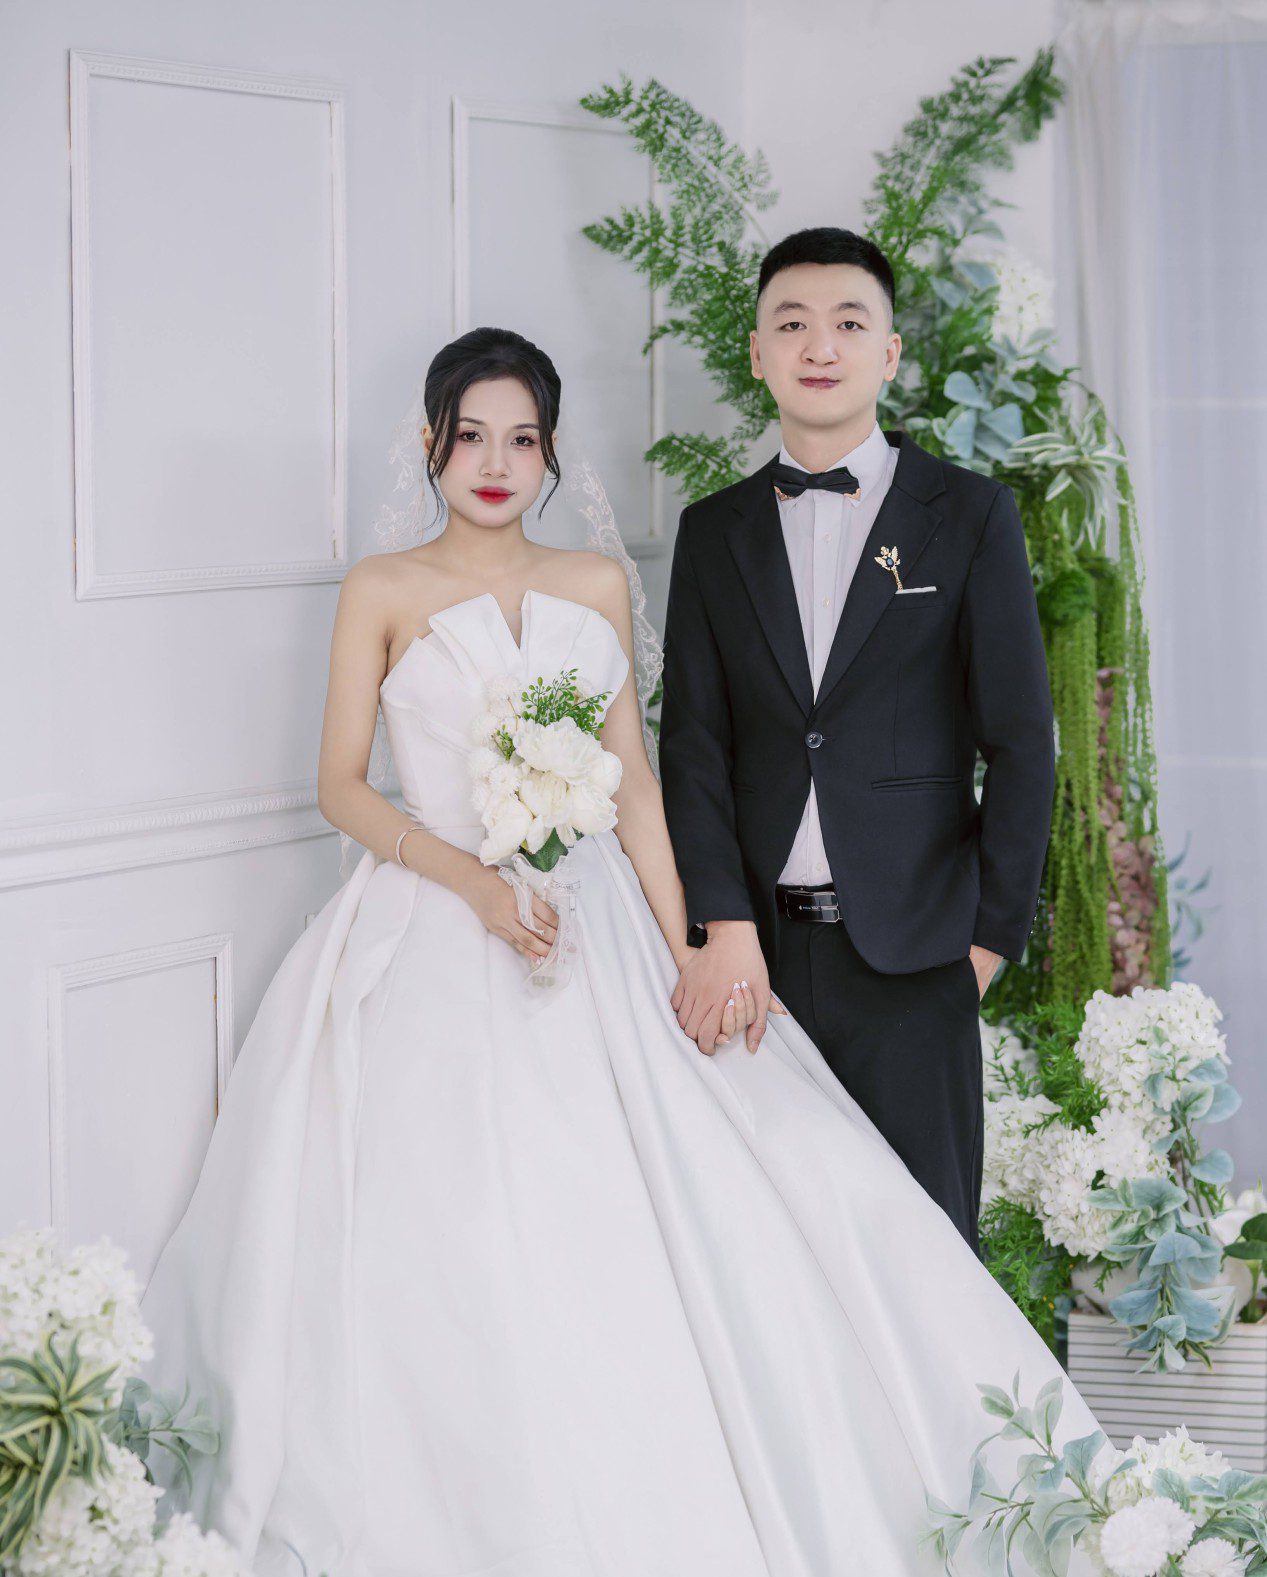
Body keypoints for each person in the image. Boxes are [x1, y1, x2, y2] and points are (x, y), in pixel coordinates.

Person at [139, 327, 1101, 1577]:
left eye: (521, 439)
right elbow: (340, 785)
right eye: (469, 436)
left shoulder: (595, 580)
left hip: (594, 919)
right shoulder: (381, 587)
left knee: (763, 1172)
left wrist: (693, 946)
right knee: (462, 1228)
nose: (495, 463)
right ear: (428, 443)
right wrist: (474, 886)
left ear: (551, 454)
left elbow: (636, 787)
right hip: (432, 921)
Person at [660, 227, 1056, 1258]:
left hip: (916, 956)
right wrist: (722, 923)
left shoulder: (969, 515)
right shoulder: (711, 531)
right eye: (792, 323)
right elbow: (693, 745)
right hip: (756, 964)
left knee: (924, 1256)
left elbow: (1022, 743)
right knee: (765, 1258)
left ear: (889, 352)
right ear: (757, 353)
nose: (819, 345)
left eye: (847, 321)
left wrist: (984, 946)